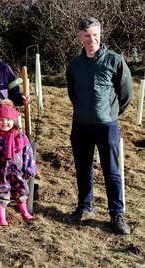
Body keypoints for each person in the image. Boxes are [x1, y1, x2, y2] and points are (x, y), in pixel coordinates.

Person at [66, 17, 133, 235]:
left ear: (100, 35)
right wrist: (83, 112)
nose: (91, 40)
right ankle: (85, 208)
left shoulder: (115, 60)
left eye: (95, 35)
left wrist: (112, 114)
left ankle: (117, 213)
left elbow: (125, 93)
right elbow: (72, 92)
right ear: (79, 37)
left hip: (107, 126)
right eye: (86, 36)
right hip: (81, 126)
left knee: (112, 171)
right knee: (83, 169)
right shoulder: (74, 64)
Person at [0, 100, 36, 225]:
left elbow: (28, 154)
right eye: (1, 120)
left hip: (18, 171)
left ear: (14, 121)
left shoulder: (20, 137)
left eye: (8, 120)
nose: (5, 123)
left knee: (21, 190)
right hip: (1, 173)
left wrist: (29, 169)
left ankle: (24, 211)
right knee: (1, 192)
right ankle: (1, 217)